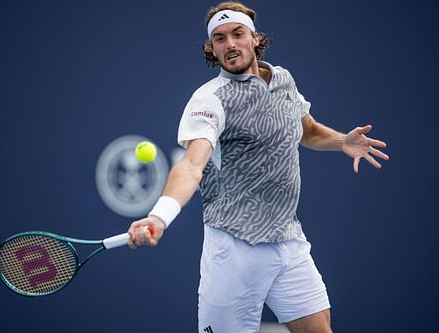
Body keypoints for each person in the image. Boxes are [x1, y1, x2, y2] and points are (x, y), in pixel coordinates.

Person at [127, 2, 389, 332]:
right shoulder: (210, 99)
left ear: (255, 38)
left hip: (288, 240)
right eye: (220, 39)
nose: (230, 45)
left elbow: (306, 130)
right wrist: (159, 215)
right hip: (233, 250)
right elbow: (192, 165)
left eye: (237, 34)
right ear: (212, 48)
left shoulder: (283, 80)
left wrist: (341, 141)